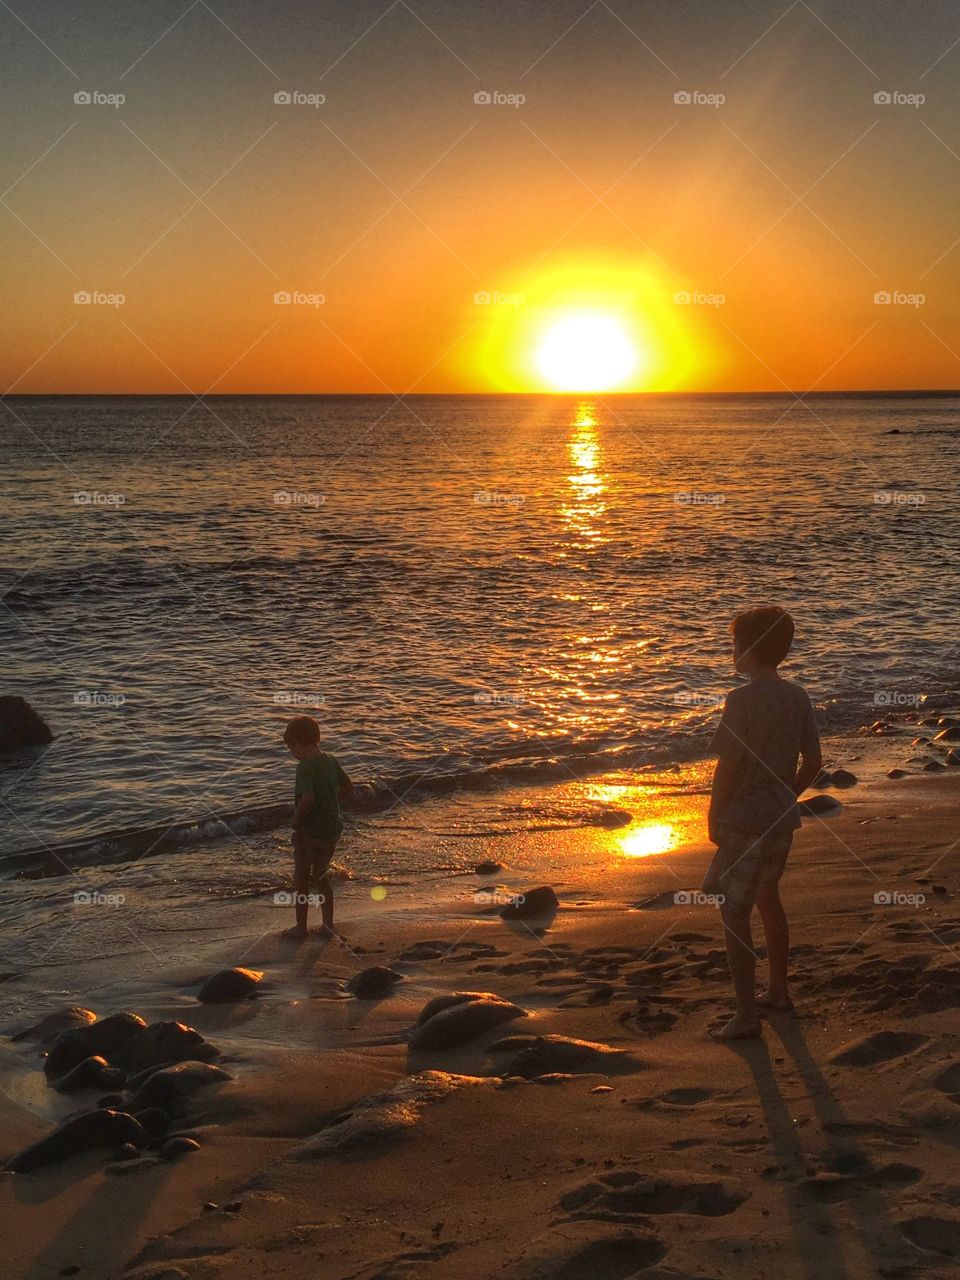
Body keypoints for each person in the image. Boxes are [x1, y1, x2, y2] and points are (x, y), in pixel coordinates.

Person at [704, 606, 822, 1039]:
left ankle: (745, 1014)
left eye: (734, 645)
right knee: (769, 897)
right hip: (780, 820)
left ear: (748, 650)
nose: (731, 653)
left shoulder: (740, 701)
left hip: (744, 822)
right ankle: (777, 990)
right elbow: (814, 761)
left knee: (733, 911)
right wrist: (786, 796)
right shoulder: (798, 696)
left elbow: (728, 767)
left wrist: (714, 814)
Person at [281, 715, 352, 941]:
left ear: (298, 743)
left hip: (309, 831)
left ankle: (301, 928)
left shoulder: (305, 766)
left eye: (292, 747)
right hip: (331, 829)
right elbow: (348, 786)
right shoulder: (331, 761)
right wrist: (332, 804)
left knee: (301, 878)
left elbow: (308, 798)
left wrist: (296, 820)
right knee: (321, 876)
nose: (293, 753)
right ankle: (328, 925)